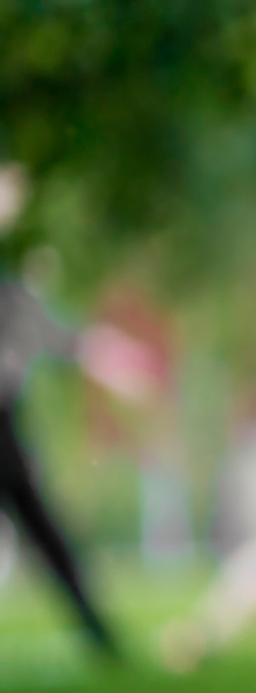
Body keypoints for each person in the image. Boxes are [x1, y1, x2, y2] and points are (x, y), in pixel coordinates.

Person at [0, 273, 120, 658]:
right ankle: (95, 626)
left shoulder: (15, 296)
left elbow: (64, 341)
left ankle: (94, 625)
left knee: (40, 526)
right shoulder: (16, 298)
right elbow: (65, 341)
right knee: (40, 525)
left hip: (5, 424)